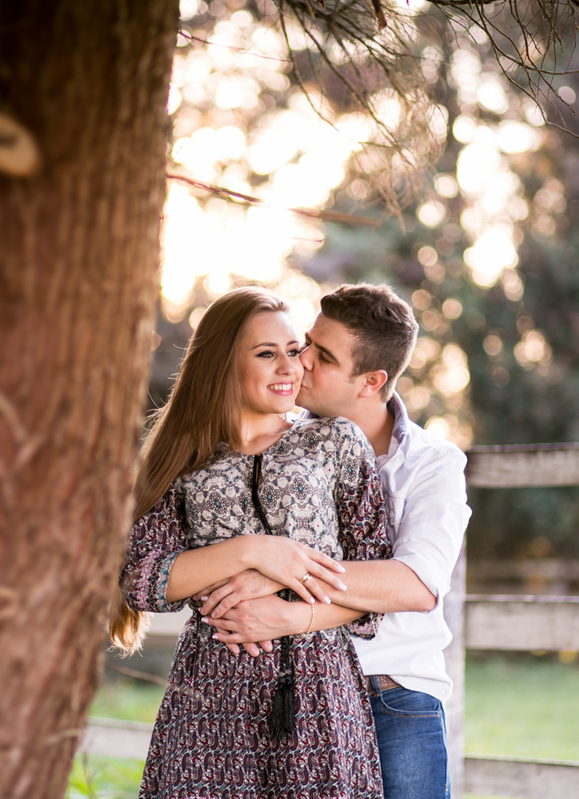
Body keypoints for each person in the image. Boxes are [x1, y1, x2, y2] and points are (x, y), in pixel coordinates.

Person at [109, 286, 393, 799]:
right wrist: (252, 551)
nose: (290, 367)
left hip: (317, 696)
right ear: (223, 364)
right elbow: (144, 581)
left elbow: (371, 582)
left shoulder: (334, 441)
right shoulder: (184, 458)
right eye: (267, 354)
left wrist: (291, 611)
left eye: (293, 351)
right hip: (210, 700)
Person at [199, 284, 471, 799]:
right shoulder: (274, 440)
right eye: (306, 343)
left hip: (390, 695)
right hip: (296, 690)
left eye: (321, 357)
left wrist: (285, 586)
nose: (299, 361)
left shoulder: (433, 464)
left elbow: (414, 585)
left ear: (371, 381)